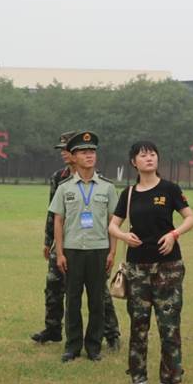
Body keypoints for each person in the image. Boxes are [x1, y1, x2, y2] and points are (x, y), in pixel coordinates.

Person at [111, 139, 193, 384]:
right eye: (143, 155)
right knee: (138, 324)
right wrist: (124, 237)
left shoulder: (169, 189)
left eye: (153, 155)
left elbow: (191, 218)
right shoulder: (129, 193)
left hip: (168, 267)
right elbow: (112, 225)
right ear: (133, 162)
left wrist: (173, 235)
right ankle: (138, 377)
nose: (149, 159)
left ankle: (168, 380)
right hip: (137, 268)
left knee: (168, 324)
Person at [48, 131, 119, 363]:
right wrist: (59, 252)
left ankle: (94, 346)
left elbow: (113, 222)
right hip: (73, 249)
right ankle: (72, 346)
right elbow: (58, 220)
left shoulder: (107, 188)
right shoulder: (65, 187)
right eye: (83, 152)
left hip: (99, 250)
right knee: (73, 300)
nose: (89, 156)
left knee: (97, 301)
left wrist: (112, 251)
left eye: (92, 152)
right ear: (74, 157)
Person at [30, 135, 73, 345]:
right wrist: (48, 241)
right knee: (54, 285)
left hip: (88, 243)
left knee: (97, 291)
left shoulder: (97, 178)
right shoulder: (58, 177)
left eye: (66, 148)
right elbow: (52, 211)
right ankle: (53, 329)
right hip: (61, 240)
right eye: (61, 149)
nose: (63, 152)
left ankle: (111, 334)